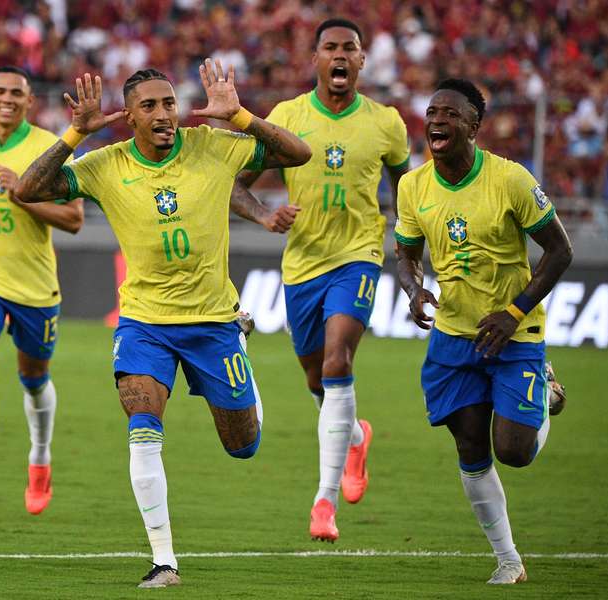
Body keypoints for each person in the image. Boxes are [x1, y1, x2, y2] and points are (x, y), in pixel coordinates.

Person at [14, 61, 311, 587]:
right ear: (128, 116)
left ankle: (243, 354)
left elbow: (298, 154)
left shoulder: (212, 146)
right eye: (149, 105)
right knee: (143, 430)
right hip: (144, 324)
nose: (163, 113)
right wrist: (76, 132)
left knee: (243, 446)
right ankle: (164, 561)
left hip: (212, 322)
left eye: (169, 103)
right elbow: (29, 191)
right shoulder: (105, 163)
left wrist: (239, 114)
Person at [231, 18, 410, 542]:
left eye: (349, 48)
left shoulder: (386, 123)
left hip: (357, 258)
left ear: (361, 61)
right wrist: (265, 216)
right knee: (318, 379)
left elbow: (410, 191)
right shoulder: (287, 117)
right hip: (302, 266)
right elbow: (237, 186)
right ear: (315, 60)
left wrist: (409, 252)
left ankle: (323, 504)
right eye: (329, 47)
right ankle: (355, 436)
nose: (339, 55)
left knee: (339, 361)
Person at [394, 79, 573, 584]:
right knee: (471, 446)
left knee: (513, 451)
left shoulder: (510, 180)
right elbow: (404, 252)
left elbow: (560, 252)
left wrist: (514, 312)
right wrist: (413, 290)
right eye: (430, 113)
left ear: (473, 126)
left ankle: (545, 392)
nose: (435, 121)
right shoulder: (413, 186)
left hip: (514, 332)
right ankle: (508, 560)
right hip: (454, 336)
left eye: (448, 114)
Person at [0, 66, 84, 518]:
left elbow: (74, 219)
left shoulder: (48, 146)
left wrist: (24, 195)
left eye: (16, 93)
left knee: (33, 380)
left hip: (34, 284)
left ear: (28, 101)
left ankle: (40, 459)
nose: (7, 99)